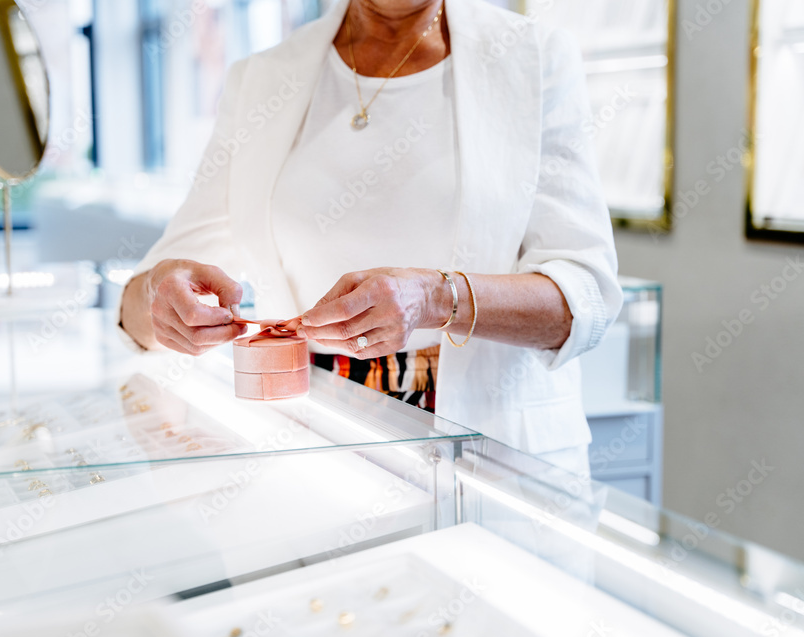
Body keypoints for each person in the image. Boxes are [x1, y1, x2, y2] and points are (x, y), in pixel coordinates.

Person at [119, 0, 622, 476]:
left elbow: (586, 300)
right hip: (308, 454)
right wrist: (159, 294)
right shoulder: (261, 79)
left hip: (493, 456)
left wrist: (436, 298)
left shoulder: (534, 59)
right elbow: (138, 312)